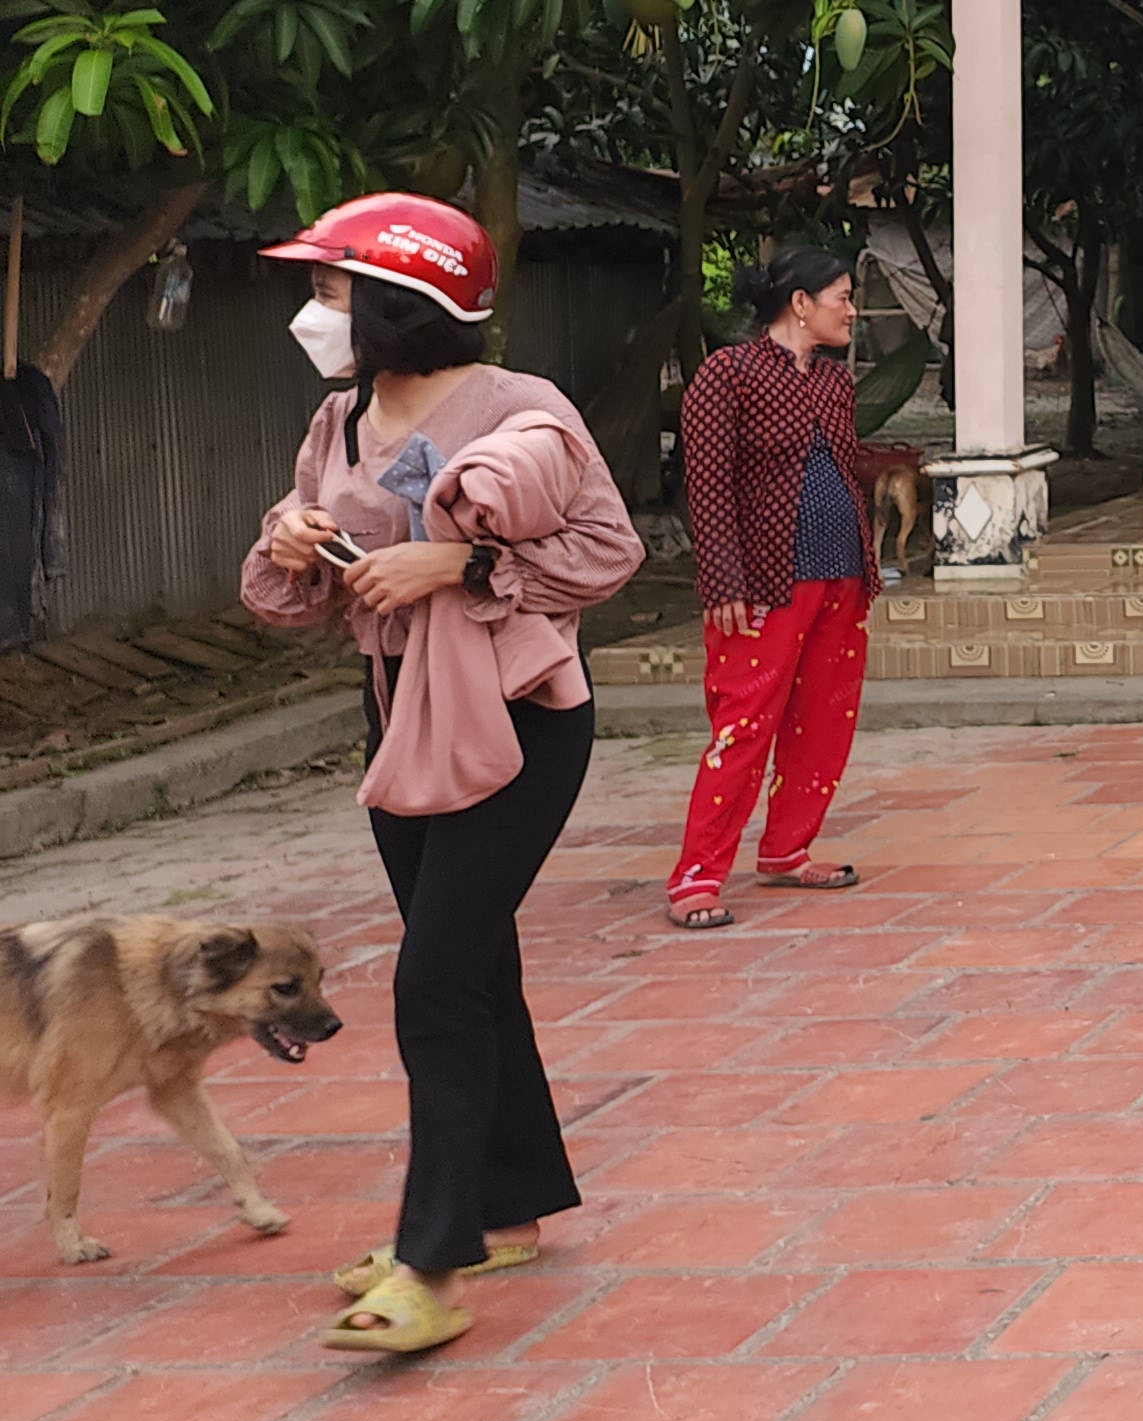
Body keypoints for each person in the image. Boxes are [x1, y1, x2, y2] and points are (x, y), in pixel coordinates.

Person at [242, 192, 641, 1356]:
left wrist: (456, 565)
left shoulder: (523, 408)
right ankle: (508, 1207)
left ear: (399, 300)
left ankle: (432, 1262)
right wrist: (292, 545)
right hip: (396, 715)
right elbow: (293, 595)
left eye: (330, 291)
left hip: (517, 719)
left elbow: (608, 551)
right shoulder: (340, 419)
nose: (314, 314)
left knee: (434, 980)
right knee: (470, 965)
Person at [668, 248, 917, 928]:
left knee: (825, 719)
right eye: (842, 296)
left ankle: (787, 849)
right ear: (800, 303)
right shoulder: (727, 373)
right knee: (744, 724)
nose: (852, 310)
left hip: (842, 571)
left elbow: (844, 465)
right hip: (763, 581)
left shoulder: (835, 382)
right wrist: (722, 577)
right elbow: (707, 483)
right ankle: (696, 875)